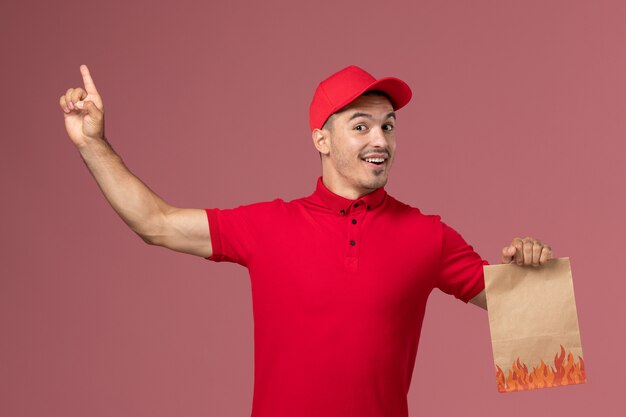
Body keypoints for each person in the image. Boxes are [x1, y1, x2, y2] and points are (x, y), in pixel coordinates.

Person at [59, 64, 553, 417]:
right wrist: (91, 143)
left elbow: (535, 324)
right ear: (321, 139)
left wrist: (530, 273)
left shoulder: (429, 235)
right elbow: (156, 223)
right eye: (360, 126)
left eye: (388, 126)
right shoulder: (268, 226)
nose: (379, 140)